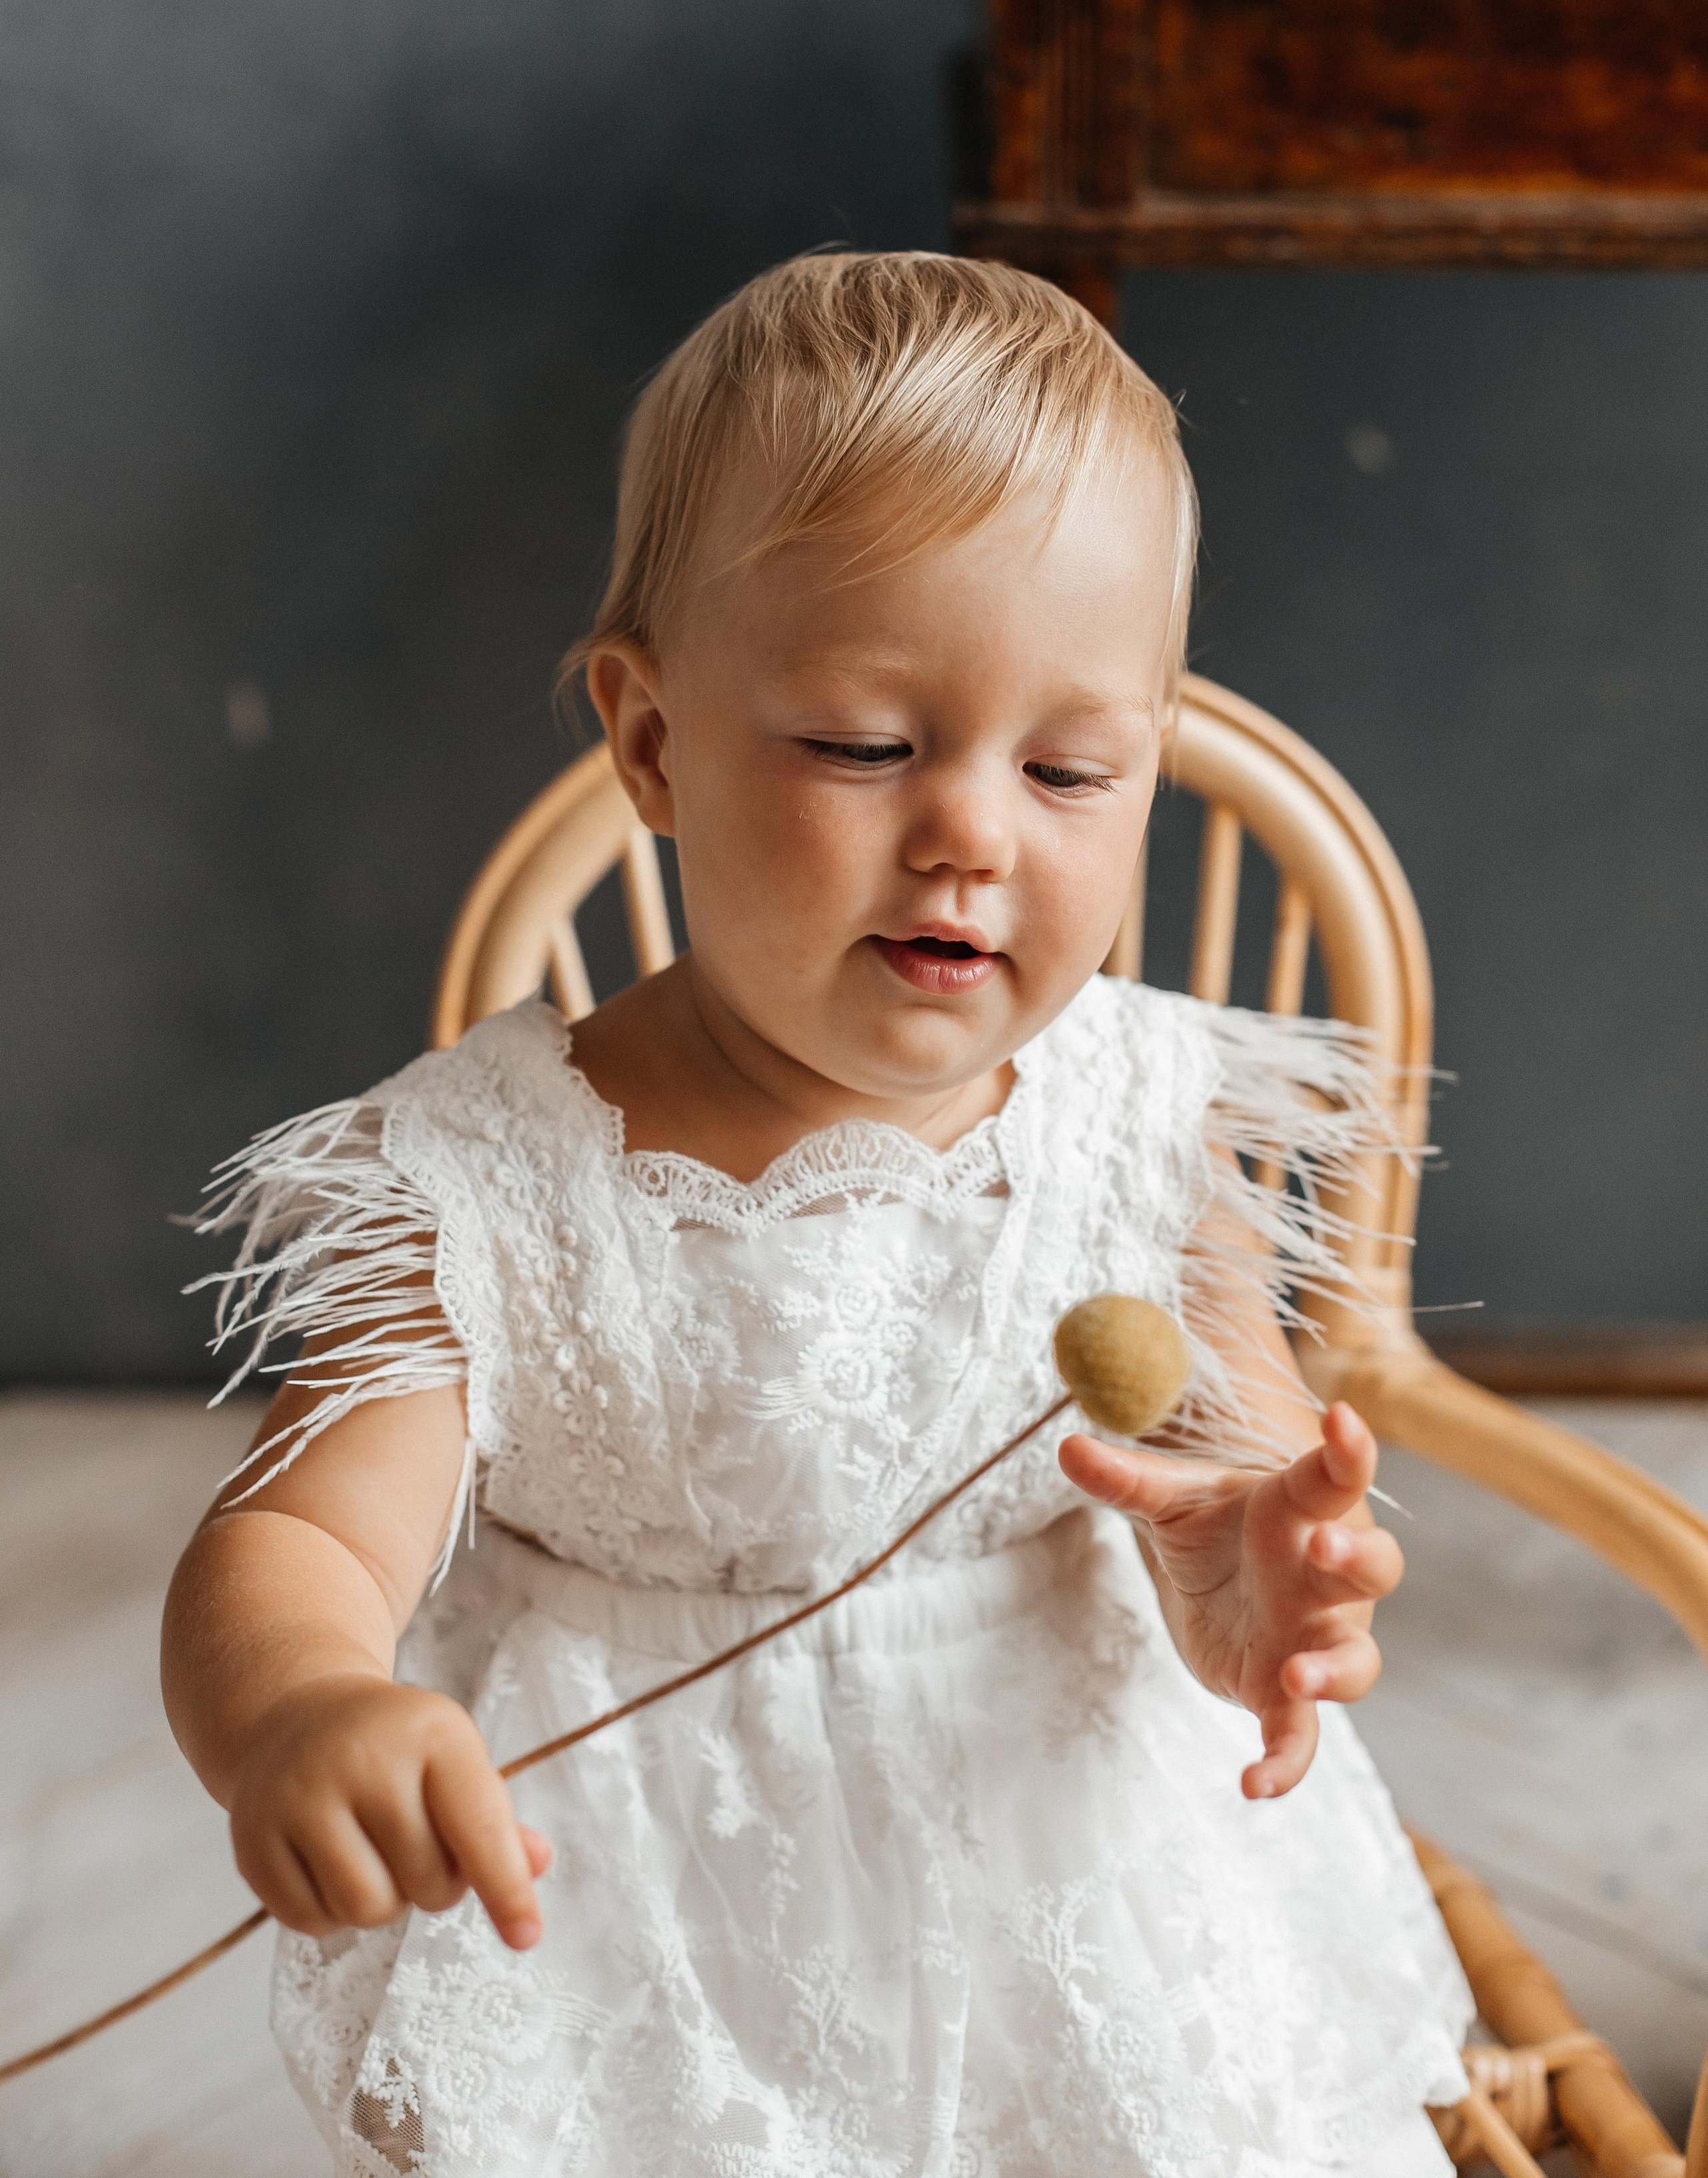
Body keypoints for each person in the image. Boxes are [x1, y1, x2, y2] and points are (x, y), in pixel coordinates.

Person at [162, 253, 1471, 2178]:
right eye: (867, 745)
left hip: (1076, 1865)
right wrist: (303, 1708)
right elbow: (289, 1549)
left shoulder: (1129, 1116)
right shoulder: (485, 1182)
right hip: (653, 1920)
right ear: (654, 742)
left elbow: (1231, 1443)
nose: (972, 831)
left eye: (1072, 768)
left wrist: (1248, 1564)